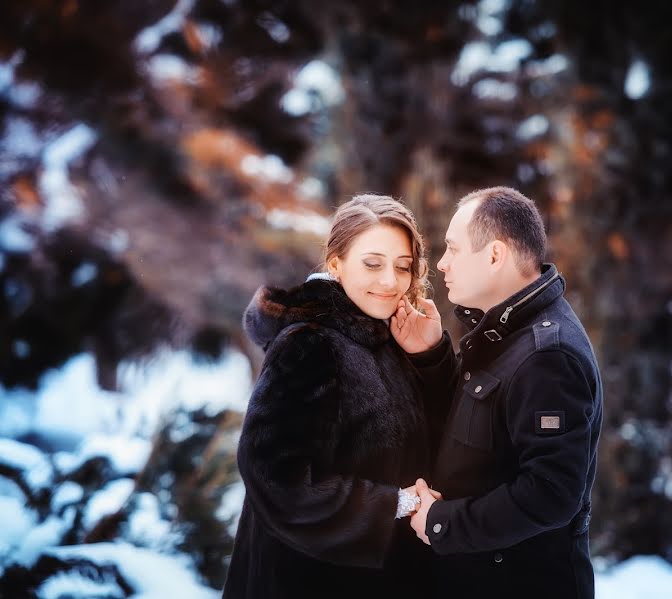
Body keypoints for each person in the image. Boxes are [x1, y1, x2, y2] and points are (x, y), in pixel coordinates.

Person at [222, 194, 442, 598]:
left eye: (403, 267)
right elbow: (276, 476)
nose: (390, 281)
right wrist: (395, 503)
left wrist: (431, 356)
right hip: (306, 581)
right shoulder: (309, 344)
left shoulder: (386, 338)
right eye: (373, 263)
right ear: (336, 263)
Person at [390, 186, 603, 598]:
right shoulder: (503, 332)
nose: (442, 263)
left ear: (494, 255)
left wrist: (441, 522)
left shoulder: (548, 356)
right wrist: (433, 355)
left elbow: (551, 494)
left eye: (453, 249)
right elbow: (481, 429)